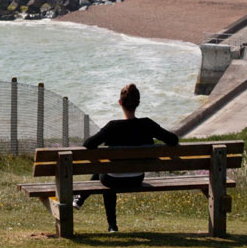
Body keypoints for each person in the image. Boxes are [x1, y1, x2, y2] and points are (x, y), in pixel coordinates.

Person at [71, 84, 178, 233]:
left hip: (112, 179)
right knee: (107, 169)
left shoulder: (113, 127)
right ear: (138, 104)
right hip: (136, 178)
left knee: (106, 170)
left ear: (120, 103)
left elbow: (88, 144)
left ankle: (111, 225)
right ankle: (81, 199)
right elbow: (173, 140)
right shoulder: (148, 124)